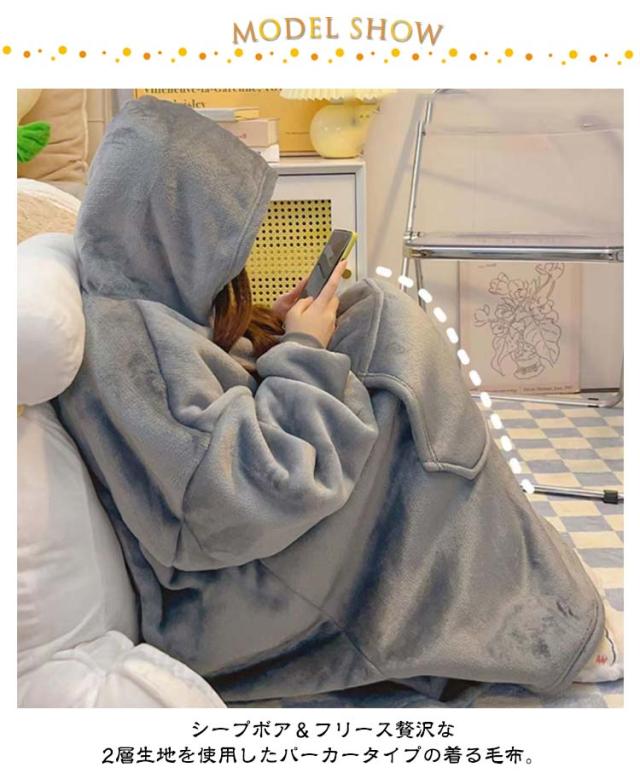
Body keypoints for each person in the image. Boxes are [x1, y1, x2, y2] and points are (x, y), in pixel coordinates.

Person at [56, 96, 622, 707]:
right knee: (398, 361)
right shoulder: (127, 342)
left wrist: (275, 330)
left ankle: (513, 582)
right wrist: (303, 347)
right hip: (236, 600)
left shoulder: (137, 303)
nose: (234, 261)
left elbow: (202, 406)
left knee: (372, 318)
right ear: (175, 226)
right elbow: (238, 495)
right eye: (220, 238)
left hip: (254, 566)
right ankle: (531, 619)